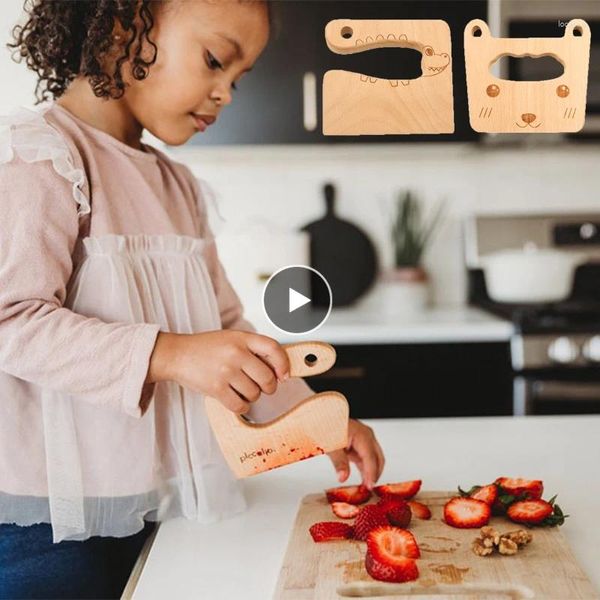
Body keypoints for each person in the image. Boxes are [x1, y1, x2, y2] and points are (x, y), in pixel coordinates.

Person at [0, 0, 386, 597]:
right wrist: (170, 353)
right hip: (48, 526)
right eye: (214, 61)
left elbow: (230, 329)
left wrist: (314, 419)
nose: (225, 93)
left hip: (164, 507)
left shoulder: (180, 187)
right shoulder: (41, 157)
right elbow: (11, 321)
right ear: (123, 24)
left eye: (236, 78)